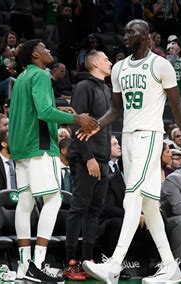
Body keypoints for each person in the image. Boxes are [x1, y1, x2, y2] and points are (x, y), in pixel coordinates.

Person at [80, 19, 181, 283]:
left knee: (131, 197)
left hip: (150, 136)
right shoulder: (120, 67)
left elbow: (178, 110)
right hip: (128, 138)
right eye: (124, 31)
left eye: (131, 31)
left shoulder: (160, 64)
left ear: (146, 36)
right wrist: (97, 125)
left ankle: (113, 265)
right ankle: (171, 266)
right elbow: (116, 109)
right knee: (149, 206)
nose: (125, 36)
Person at [7, 39, 98, 282]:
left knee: (25, 203)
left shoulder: (22, 78)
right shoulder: (41, 75)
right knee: (54, 199)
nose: (49, 51)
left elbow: (33, 112)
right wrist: (78, 119)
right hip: (40, 146)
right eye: (45, 48)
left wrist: (62, 113)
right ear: (36, 54)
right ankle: (38, 263)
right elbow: (44, 112)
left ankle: (24, 265)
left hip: (20, 147)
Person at [64, 50, 112, 280]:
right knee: (79, 208)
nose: (109, 62)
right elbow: (77, 124)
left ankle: (88, 260)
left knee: (95, 211)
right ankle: (71, 262)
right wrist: (88, 157)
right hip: (87, 158)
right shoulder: (84, 86)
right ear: (93, 63)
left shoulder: (106, 88)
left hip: (103, 158)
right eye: (105, 59)